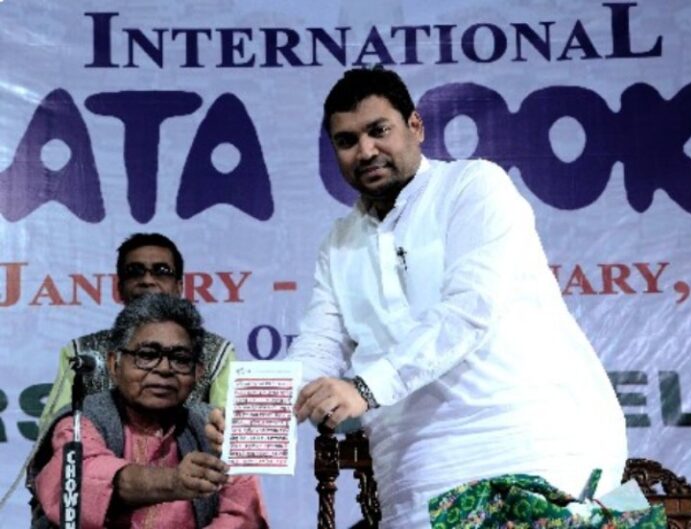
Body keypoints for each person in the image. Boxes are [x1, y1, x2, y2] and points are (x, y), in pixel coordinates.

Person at [208, 67, 628, 528]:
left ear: (416, 127)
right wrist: (253, 421)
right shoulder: (340, 242)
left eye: (378, 130)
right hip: (414, 472)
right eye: (347, 141)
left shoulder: (473, 187)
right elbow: (320, 346)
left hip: (528, 446)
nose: (365, 150)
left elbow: (469, 311)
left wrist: (365, 388)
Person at [28, 293, 268, 529]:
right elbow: (83, 480)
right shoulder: (81, 421)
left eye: (180, 358)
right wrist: (174, 481)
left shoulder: (212, 427)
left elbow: (243, 514)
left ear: (198, 373)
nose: (164, 369)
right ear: (114, 364)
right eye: (147, 355)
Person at [38, 233, 234, 435]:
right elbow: (55, 426)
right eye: (135, 272)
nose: (147, 280)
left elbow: (226, 428)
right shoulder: (83, 353)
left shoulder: (217, 352)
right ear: (119, 288)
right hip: (98, 460)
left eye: (162, 271)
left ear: (179, 286)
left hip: (187, 461)